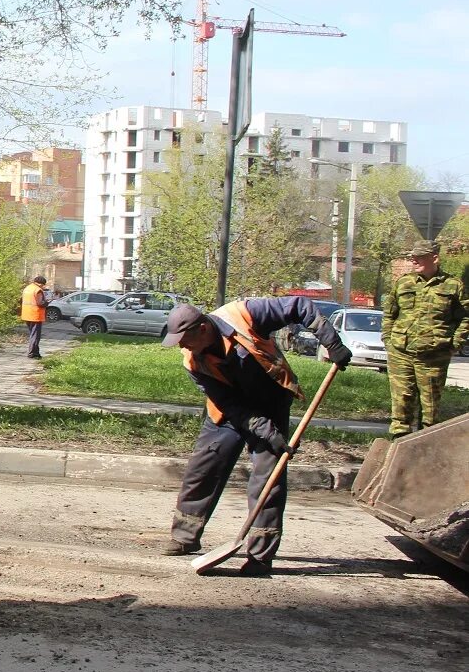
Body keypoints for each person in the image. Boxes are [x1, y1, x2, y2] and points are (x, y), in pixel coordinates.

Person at [159, 299, 351, 576]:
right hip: (229, 412)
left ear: (203, 329)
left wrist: (331, 343)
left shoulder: (246, 314)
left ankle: (260, 556)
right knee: (203, 468)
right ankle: (185, 537)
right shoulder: (193, 361)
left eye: (184, 339)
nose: (181, 346)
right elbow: (227, 402)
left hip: (271, 402)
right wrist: (261, 429)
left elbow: (299, 306)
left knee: (267, 481)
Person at [382, 241, 467, 437]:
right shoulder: (404, 282)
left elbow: (465, 317)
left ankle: (425, 450)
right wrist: (388, 340)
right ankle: (398, 447)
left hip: (434, 356)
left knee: (430, 408)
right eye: (413, 256)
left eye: (419, 256)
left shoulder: (453, 285)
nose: (414, 260)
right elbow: (389, 314)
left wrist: (455, 343)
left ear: (434, 258)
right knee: (401, 403)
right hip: (401, 353)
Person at [20, 275, 50, 359]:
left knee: (33, 334)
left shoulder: (27, 288)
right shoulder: (38, 290)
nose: (43, 286)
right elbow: (40, 303)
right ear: (41, 284)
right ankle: (32, 353)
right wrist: (47, 302)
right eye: (43, 285)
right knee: (35, 335)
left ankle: (36, 353)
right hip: (35, 315)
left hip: (26, 314)